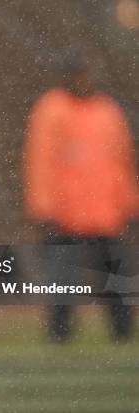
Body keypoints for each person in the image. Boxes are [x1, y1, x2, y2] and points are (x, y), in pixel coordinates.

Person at [23, 48, 138, 342]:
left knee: (116, 278)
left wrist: (128, 203)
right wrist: (44, 206)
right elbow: (41, 161)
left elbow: (121, 162)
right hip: (66, 214)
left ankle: (122, 332)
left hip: (105, 214)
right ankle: (60, 333)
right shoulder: (52, 109)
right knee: (63, 280)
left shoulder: (108, 111)